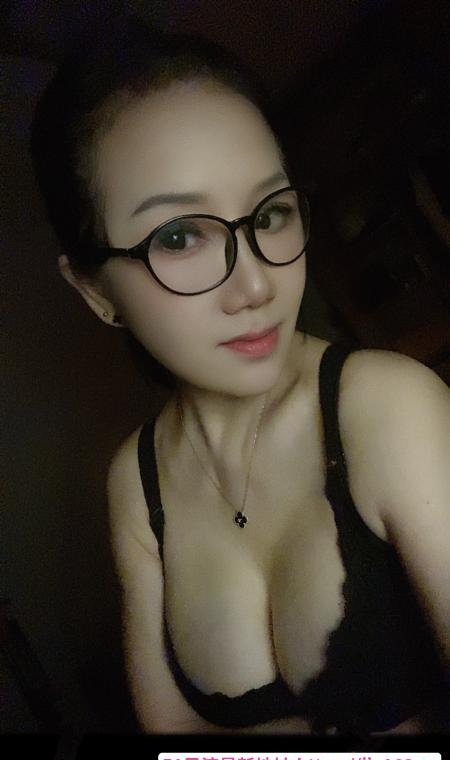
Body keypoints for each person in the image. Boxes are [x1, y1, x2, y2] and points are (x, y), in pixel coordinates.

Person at [29, 16, 449, 736]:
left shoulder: (388, 408)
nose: (256, 285)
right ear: (95, 291)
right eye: (179, 236)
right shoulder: (136, 483)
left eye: (271, 213)